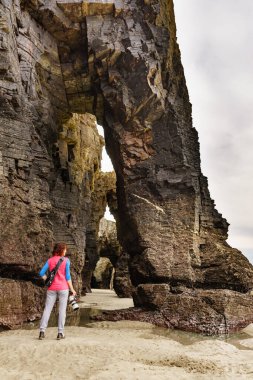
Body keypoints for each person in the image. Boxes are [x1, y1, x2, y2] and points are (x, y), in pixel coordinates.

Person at [38, 242, 76, 340]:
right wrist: (72, 289)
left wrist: (47, 281)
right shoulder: (66, 260)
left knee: (47, 309)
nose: (66, 251)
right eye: (65, 249)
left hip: (51, 288)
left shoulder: (50, 260)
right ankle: (60, 333)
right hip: (63, 288)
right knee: (62, 311)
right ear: (61, 250)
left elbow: (41, 272)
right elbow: (68, 277)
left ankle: (42, 332)